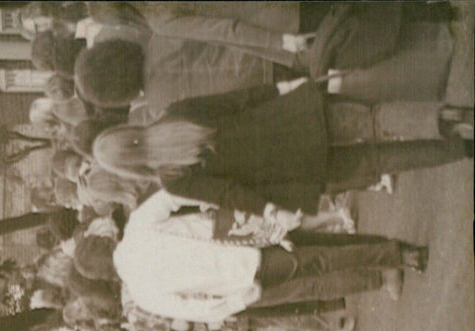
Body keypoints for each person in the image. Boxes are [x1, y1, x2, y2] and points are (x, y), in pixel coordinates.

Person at [92, 82, 472, 216]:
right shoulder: (176, 114)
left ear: (127, 167)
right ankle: (449, 115)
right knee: (375, 120)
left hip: (300, 173)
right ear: (126, 128)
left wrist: (271, 209)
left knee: (381, 161)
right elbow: (238, 99)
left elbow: (230, 195)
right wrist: (282, 90)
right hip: (297, 118)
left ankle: (463, 148)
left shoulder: (173, 179)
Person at [112, 188, 429, 326]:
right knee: (320, 249)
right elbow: (171, 195)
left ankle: (391, 261)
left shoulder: (142, 294)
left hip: (242, 277)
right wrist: (209, 199)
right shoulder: (137, 226)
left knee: (316, 277)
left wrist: (237, 303)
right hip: (236, 230)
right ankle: (395, 253)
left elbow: (193, 309)